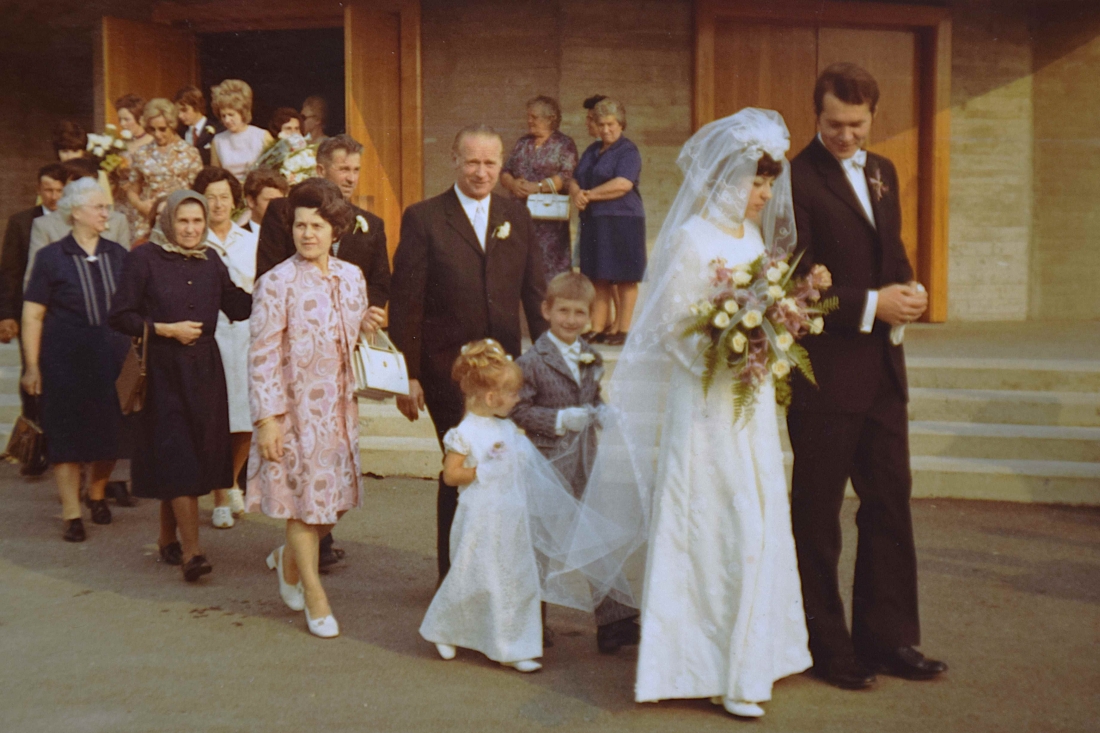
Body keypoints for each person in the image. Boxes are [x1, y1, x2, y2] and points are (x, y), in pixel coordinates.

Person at [568, 109, 813, 718]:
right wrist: (729, 342)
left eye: (768, 184)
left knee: (754, 515)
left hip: (746, 407)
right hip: (702, 405)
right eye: (756, 182)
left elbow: (765, 307)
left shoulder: (754, 240)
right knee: (712, 518)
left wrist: (771, 338)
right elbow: (674, 329)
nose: (763, 195)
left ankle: (756, 654)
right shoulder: (690, 239)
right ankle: (703, 664)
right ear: (728, 177)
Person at [787, 63, 946, 689]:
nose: (846, 136)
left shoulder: (883, 171)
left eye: (856, 124)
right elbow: (791, 284)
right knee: (818, 514)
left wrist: (909, 292)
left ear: (872, 116)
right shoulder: (795, 180)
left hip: (882, 370)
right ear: (816, 115)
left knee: (889, 505)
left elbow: (893, 254)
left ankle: (890, 640)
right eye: (834, 124)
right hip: (825, 376)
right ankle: (828, 646)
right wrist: (868, 305)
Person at [389, 123, 548, 580]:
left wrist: (550, 357)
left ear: (502, 166)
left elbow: (534, 292)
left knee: (501, 472)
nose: (482, 172)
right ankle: (454, 581)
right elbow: (407, 302)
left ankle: (501, 587)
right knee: (460, 468)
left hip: (504, 377)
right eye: (473, 161)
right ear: (455, 161)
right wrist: (409, 374)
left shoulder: (516, 216)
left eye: (491, 163)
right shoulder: (424, 217)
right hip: (447, 372)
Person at [247, 177, 386, 638]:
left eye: (318, 225)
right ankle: (314, 593)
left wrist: (367, 325)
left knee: (334, 505)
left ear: (335, 230)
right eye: (301, 225)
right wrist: (267, 420)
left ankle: (290, 557)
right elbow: (262, 355)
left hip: (340, 413)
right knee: (303, 510)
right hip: (294, 415)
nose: (308, 233)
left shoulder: (352, 278)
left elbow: (350, 337)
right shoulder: (275, 283)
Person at [108, 190, 252, 582]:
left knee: (189, 455)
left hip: (205, 372)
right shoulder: (143, 259)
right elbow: (119, 316)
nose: (191, 229)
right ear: (169, 221)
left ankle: (165, 537)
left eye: (197, 222)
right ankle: (192, 553)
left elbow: (238, 306)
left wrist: (277, 285)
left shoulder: (211, 260)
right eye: (183, 221)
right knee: (179, 456)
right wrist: (165, 329)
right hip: (162, 372)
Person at [510, 271, 640, 654]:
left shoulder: (591, 354)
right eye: (563, 311)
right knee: (541, 545)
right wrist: (557, 420)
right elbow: (517, 408)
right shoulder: (532, 361)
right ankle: (531, 622)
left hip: (586, 460)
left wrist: (604, 412)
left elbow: (593, 395)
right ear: (547, 310)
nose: (571, 320)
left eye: (579, 313)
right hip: (547, 463)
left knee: (596, 538)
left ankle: (615, 622)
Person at [21, 178, 131, 542]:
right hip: (63, 363)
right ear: (76, 212)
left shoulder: (119, 255)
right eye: (99, 207)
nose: (106, 213)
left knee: (111, 435)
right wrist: (32, 366)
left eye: (106, 207)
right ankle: (71, 513)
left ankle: (96, 493)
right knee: (66, 437)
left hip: (111, 360)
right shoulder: (50, 258)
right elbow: (33, 315)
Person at [194, 166, 259, 529]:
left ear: (235, 201)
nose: (217, 204)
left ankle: (230, 479)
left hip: (248, 338)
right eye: (209, 197)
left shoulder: (251, 241)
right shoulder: (193, 240)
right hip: (210, 339)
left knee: (247, 417)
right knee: (217, 420)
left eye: (223, 197)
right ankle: (221, 494)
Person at [569, 97, 645, 346]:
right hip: (594, 220)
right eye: (601, 124)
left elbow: (623, 184)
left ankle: (623, 329)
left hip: (623, 219)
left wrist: (589, 195)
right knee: (597, 276)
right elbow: (575, 178)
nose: (606, 130)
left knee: (625, 276)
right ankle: (599, 327)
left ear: (621, 123)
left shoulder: (628, 150)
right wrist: (577, 192)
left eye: (611, 124)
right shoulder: (592, 150)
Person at [500, 95, 578, 280]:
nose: (529, 121)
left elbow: (567, 176)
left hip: (549, 222)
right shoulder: (523, 143)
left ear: (550, 118)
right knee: (520, 270)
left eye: (534, 117)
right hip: (520, 217)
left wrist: (538, 187)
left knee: (550, 274)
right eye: (529, 116)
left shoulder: (564, 144)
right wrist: (512, 183)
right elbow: (505, 170)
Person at [27, 159, 132, 288]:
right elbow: (34, 281)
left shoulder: (117, 221)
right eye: (78, 184)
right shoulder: (45, 225)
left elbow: (126, 274)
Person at [121, 98, 204, 241]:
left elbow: (198, 192)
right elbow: (132, 190)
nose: (157, 134)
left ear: (172, 125)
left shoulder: (190, 153)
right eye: (152, 129)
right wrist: (141, 206)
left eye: (162, 129)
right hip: (147, 220)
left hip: (179, 221)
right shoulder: (142, 153)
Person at [210, 79, 274, 183]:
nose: (227, 120)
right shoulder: (218, 141)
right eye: (223, 116)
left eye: (231, 114)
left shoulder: (262, 136)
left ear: (242, 113)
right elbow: (216, 177)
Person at [174, 85, 217, 166]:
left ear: (196, 106)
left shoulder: (216, 130)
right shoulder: (180, 133)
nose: (180, 115)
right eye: (178, 111)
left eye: (184, 110)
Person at [242, 168, 288, 237]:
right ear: (251, 201)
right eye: (270, 201)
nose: (276, 206)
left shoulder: (290, 237)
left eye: (280, 201)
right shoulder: (238, 238)